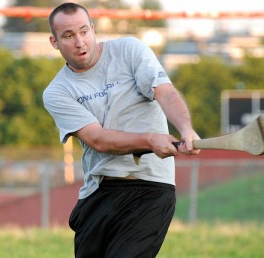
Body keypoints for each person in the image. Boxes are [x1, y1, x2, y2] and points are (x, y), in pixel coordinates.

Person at [43, 2, 200, 258]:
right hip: (100, 192)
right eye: (68, 36)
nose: (80, 42)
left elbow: (165, 91)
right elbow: (98, 140)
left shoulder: (130, 50)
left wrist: (186, 129)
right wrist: (150, 140)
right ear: (54, 42)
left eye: (84, 31)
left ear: (93, 29)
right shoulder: (57, 92)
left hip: (151, 188)